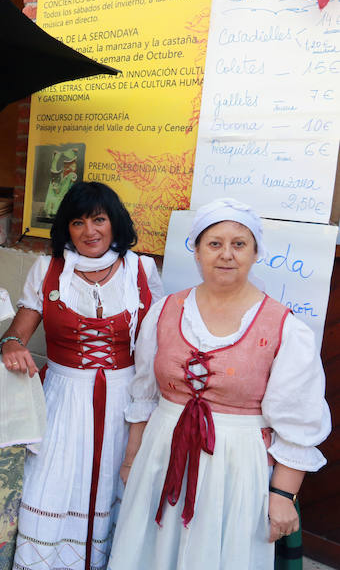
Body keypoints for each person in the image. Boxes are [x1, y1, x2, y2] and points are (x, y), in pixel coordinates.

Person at [108, 198, 331, 570]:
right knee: (150, 552)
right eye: (214, 243)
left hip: (237, 466)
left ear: (256, 252)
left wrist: (282, 495)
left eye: (239, 244)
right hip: (162, 456)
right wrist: (132, 461)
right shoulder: (165, 311)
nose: (226, 254)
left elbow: (298, 424)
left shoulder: (283, 327)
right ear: (196, 251)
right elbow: (144, 394)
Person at [1, 181, 163, 570]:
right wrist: (11, 345)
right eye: (78, 222)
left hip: (126, 399)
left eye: (98, 220)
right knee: (52, 484)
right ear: (66, 229)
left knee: (115, 484)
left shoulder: (141, 269)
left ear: (114, 223)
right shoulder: (48, 268)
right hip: (63, 396)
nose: (89, 231)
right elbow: (14, 334)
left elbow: (158, 343)